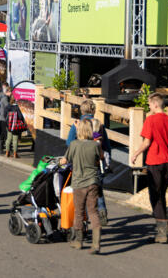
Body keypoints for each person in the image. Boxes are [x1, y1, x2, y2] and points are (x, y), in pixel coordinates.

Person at [131, 93, 168, 244]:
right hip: (167, 161)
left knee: (155, 195)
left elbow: (146, 142)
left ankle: (162, 231)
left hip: (154, 160)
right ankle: (161, 228)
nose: (149, 107)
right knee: (162, 194)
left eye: (150, 105)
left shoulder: (151, 120)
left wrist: (136, 153)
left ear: (156, 104)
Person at [66, 100, 111, 226]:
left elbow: (69, 143)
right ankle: (102, 213)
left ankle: (84, 219)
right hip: (97, 162)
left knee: (82, 192)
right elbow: (107, 145)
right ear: (94, 111)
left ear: (81, 110)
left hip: (81, 163)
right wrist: (107, 161)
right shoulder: (98, 125)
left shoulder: (78, 124)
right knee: (98, 189)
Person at [60, 119, 102, 254]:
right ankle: (96, 244)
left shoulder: (74, 145)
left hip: (79, 183)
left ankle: (78, 241)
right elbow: (100, 158)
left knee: (79, 212)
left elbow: (65, 160)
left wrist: (61, 161)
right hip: (93, 181)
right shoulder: (95, 145)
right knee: (93, 212)